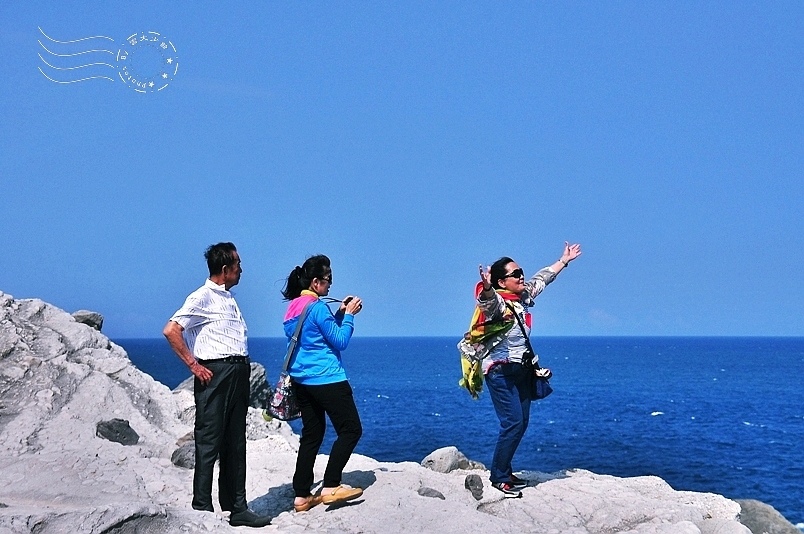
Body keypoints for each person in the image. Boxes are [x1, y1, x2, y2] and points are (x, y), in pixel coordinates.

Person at [163, 242, 270, 528]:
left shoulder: (228, 297)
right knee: (209, 441)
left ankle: (237, 507)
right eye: (238, 265)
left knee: (235, 442)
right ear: (225, 269)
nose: (241, 270)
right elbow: (171, 330)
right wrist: (194, 365)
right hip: (216, 372)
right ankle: (201, 507)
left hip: (238, 371)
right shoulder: (202, 297)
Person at [476, 242, 582, 498]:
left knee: (521, 423)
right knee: (512, 422)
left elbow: (542, 278)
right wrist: (488, 288)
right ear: (502, 282)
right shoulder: (498, 303)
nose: (521, 276)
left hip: (521, 370)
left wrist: (564, 260)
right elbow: (487, 302)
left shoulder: (522, 297)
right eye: (515, 274)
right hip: (500, 372)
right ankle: (499, 477)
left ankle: (505, 470)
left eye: (520, 271)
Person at [281, 254, 365, 513]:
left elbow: (316, 335)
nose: (330, 286)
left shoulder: (294, 306)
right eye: (328, 281)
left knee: (312, 434)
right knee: (351, 430)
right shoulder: (317, 307)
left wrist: (337, 313)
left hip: (301, 380)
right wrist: (349, 316)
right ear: (316, 282)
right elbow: (339, 341)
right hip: (328, 378)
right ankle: (330, 485)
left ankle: (302, 495)